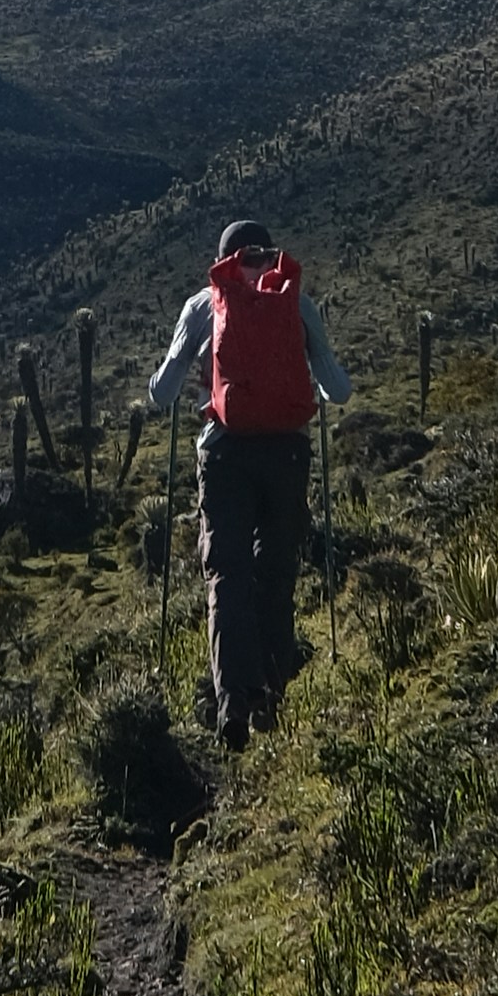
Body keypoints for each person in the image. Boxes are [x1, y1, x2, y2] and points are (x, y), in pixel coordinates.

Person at [142, 218, 350, 743]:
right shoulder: (295, 302)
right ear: (268, 254)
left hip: (224, 454)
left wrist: (163, 380)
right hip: (287, 454)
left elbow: (163, 393)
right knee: (276, 573)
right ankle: (272, 698)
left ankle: (232, 703)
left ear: (223, 260)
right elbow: (338, 389)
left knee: (227, 575)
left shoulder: (203, 304)